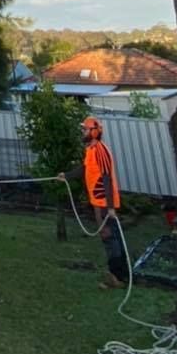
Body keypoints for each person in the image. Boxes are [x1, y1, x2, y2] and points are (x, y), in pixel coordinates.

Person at [65, 115, 127, 290]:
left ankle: (118, 277)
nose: (83, 132)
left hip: (105, 204)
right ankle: (116, 275)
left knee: (110, 237)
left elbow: (106, 178)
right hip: (97, 202)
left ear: (94, 131)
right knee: (106, 237)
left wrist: (110, 207)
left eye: (85, 129)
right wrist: (67, 176)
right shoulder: (90, 150)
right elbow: (85, 169)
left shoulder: (101, 150)